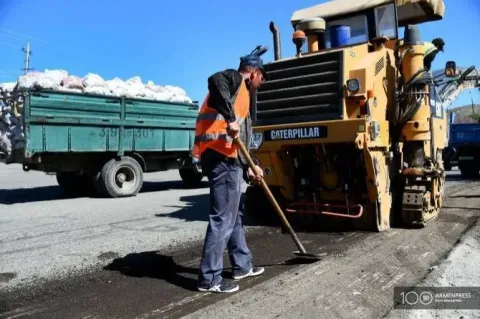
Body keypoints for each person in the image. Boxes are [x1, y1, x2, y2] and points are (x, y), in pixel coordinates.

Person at [194, 46, 268, 293]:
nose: (261, 84)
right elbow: (215, 81)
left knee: (234, 214)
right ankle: (209, 279)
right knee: (223, 218)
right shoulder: (234, 80)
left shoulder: (242, 97)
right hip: (220, 157)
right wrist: (230, 118)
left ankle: (242, 265)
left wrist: (250, 166)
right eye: (262, 79)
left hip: (231, 159)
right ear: (254, 72)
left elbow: (243, 139)